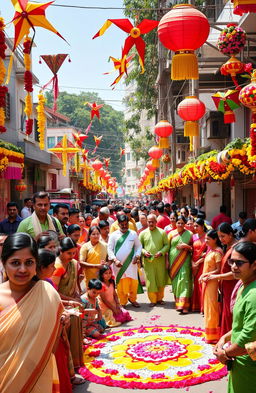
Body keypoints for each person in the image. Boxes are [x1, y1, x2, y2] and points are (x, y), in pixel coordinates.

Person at [0, 233, 63, 393]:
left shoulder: (47, 293)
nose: (22, 269)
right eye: (15, 263)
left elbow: (50, 347)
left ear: (36, 263)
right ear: (3, 263)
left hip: (39, 377)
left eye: (29, 262)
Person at [214, 242, 256, 393]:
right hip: (239, 360)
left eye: (239, 263)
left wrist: (224, 353)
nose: (233, 267)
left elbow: (247, 337)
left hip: (248, 365)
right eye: (232, 261)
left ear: (254, 265)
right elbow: (240, 325)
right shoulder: (243, 285)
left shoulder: (253, 295)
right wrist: (224, 338)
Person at [51, 238, 84, 370]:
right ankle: (69, 362)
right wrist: (71, 301)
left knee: (79, 314)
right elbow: (54, 292)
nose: (72, 256)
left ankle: (76, 359)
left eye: (74, 253)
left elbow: (75, 285)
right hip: (60, 303)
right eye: (69, 253)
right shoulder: (57, 267)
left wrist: (77, 297)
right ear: (61, 252)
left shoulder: (73, 263)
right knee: (73, 317)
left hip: (71, 301)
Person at [207, 223, 237, 337]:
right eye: (219, 236)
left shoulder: (235, 248)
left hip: (232, 287)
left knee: (230, 314)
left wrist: (217, 277)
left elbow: (235, 274)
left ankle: (230, 343)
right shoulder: (228, 246)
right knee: (225, 313)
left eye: (223, 236)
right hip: (226, 286)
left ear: (230, 234)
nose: (221, 239)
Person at [108, 214, 142, 308]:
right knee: (121, 284)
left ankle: (133, 299)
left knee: (133, 283)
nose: (124, 226)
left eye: (126, 224)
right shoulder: (113, 235)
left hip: (131, 263)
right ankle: (122, 302)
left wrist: (137, 255)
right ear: (118, 224)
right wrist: (115, 260)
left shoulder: (133, 234)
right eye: (122, 224)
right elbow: (109, 249)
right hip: (119, 265)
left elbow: (138, 246)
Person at [139, 214, 169, 307]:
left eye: (152, 221)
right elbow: (139, 247)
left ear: (156, 222)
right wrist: (144, 252)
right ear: (146, 222)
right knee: (150, 281)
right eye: (149, 221)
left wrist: (161, 252)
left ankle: (160, 298)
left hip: (160, 261)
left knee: (160, 280)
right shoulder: (143, 233)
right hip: (148, 262)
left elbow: (167, 245)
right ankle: (153, 300)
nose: (151, 223)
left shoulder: (162, 232)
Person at [199, 230, 223, 343]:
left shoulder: (218, 252)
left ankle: (213, 336)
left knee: (212, 308)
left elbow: (218, 270)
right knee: (208, 307)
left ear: (215, 240)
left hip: (213, 283)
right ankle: (209, 334)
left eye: (208, 239)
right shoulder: (211, 251)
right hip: (208, 282)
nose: (206, 241)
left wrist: (205, 274)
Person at [168, 215, 193, 314]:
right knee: (176, 283)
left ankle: (185, 306)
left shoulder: (190, 234)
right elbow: (168, 248)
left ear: (185, 224)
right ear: (175, 223)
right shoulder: (171, 234)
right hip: (173, 260)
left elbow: (193, 248)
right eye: (178, 222)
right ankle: (178, 303)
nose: (180, 225)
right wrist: (167, 261)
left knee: (184, 281)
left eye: (182, 223)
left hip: (185, 260)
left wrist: (186, 246)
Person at [191, 218, 207, 312]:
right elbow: (191, 250)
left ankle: (203, 307)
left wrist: (198, 262)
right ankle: (195, 305)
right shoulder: (193, 237)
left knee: (201, 285)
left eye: (197, 226)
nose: (195, 227)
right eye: (194, 226)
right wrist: (193, 263)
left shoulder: (207, 237)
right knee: (195, 284)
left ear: (202, 226)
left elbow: (208, 251)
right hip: (194, 263)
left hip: (203, 263)